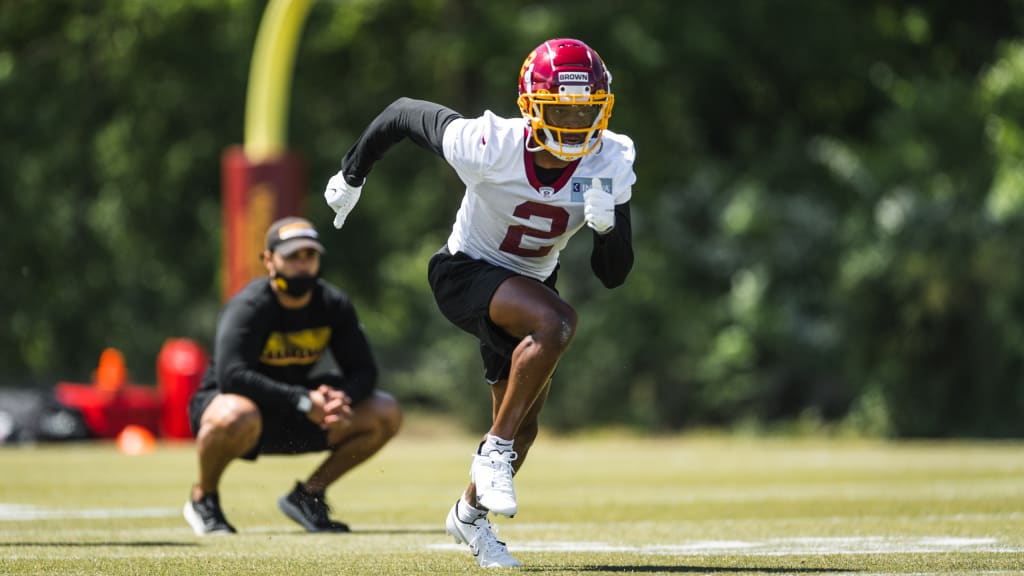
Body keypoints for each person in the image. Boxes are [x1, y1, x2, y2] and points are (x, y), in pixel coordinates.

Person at [324, 38, 635, 567]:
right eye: (563, 110)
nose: (577, 123)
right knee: (558, 324)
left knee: (526, 426)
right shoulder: (490, 143)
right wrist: (352, 173)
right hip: (465, 271)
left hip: (530, 287)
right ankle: (492, 449)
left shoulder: (610, 158)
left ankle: (468, 517)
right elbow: (401, 114)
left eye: (587, 110)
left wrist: (608, 231)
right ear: (532, 106)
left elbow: (613, 275)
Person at [183, 216, 402, 536]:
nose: (302, 264)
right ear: (269, 260)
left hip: (297, 411)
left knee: (385, 412)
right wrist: (302, 401)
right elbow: (232, 377)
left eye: (309, 256)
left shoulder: (333, 304)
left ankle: (308, 496)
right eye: (292, 256)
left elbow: (364, 371)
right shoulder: (249, 306)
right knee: (235, 412)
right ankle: (204, 498)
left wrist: (341, 400)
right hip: (241, 413)